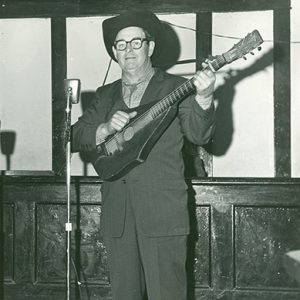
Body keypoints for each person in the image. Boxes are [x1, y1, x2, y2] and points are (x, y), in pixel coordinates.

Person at [71, 10, 216, 300]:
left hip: (163, 213)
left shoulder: (176, 88)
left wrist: (204, 97)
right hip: (118, 216)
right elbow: (74, 135)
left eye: (136, 42)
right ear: (114, 51)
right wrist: (102, 129)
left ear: (150, 47)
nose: (128, 50)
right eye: (121, 44)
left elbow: (200, 135)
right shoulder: (105, 94)